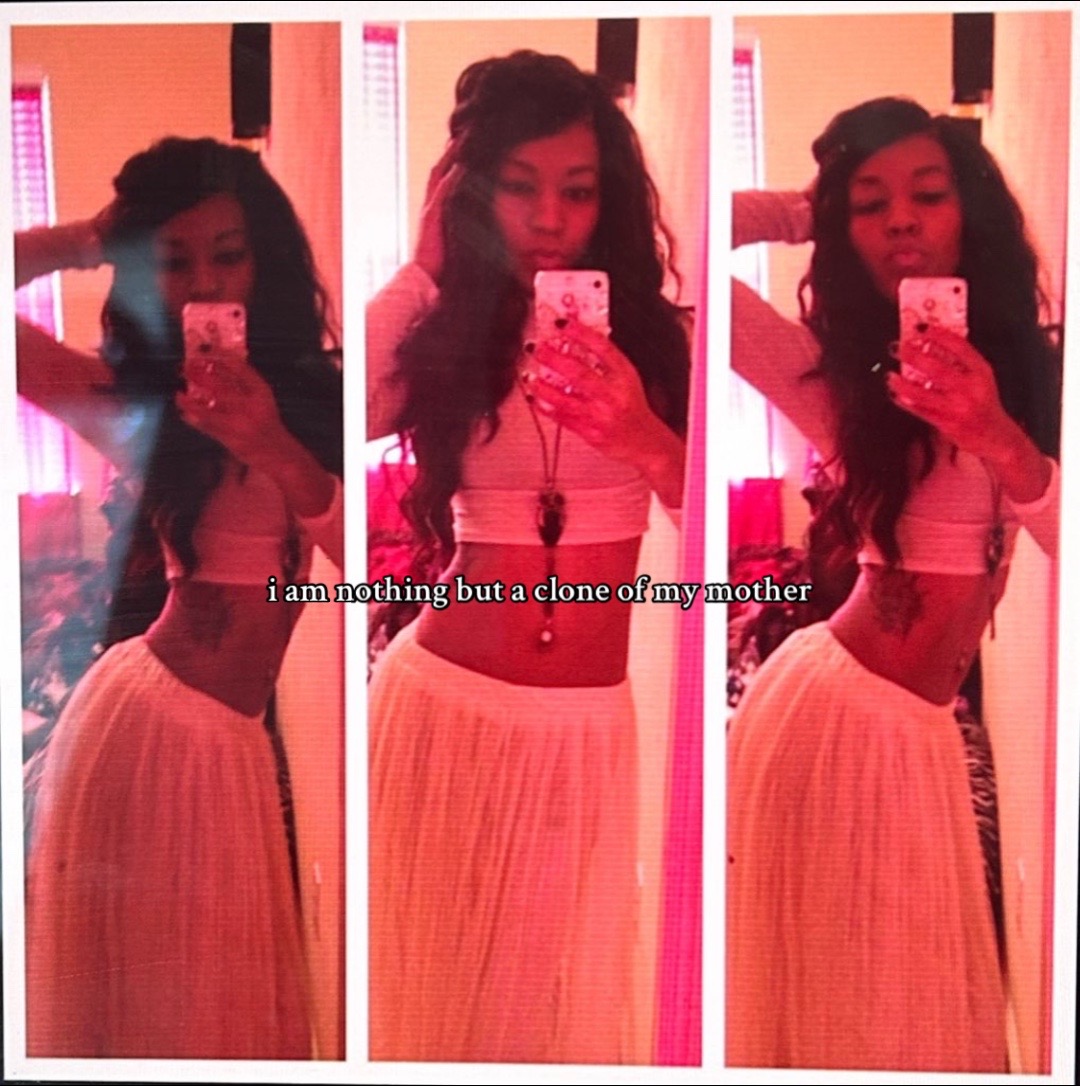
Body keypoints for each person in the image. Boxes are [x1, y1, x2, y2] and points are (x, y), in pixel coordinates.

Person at [366, 51, 691, 1063]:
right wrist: (421, 270)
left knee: (550, 1023)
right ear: (473, 193)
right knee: (434, 1017)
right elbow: (329, 426)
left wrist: (643, 437)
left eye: (579, 190)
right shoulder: (444, 336)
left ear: (611, 200)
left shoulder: (658, 343)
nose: (550, 217)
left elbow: (699, 524)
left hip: (585, 730)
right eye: (519, 186)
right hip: (442, 709)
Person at [726, 97, 1060, 1071]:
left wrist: (998, 435)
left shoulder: (1037, 374)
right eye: (870, 204)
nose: (902, 219)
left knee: (909, 1015)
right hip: (832, 717)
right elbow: (678, 258)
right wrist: (803, 209)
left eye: (927, 194)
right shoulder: (833, 378)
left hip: (919, 730)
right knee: (852, 1017)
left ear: (970, 209)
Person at [19, 137, 343, 1059]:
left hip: (231, 741)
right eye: (173, 261)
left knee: (218, 1010)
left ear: (264, 256)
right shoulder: (132, 402)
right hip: (153, 727)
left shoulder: (321, 395)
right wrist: (88, 238)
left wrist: (271, 442)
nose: (205, 282)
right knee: (165, 1017)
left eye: (227, 254)